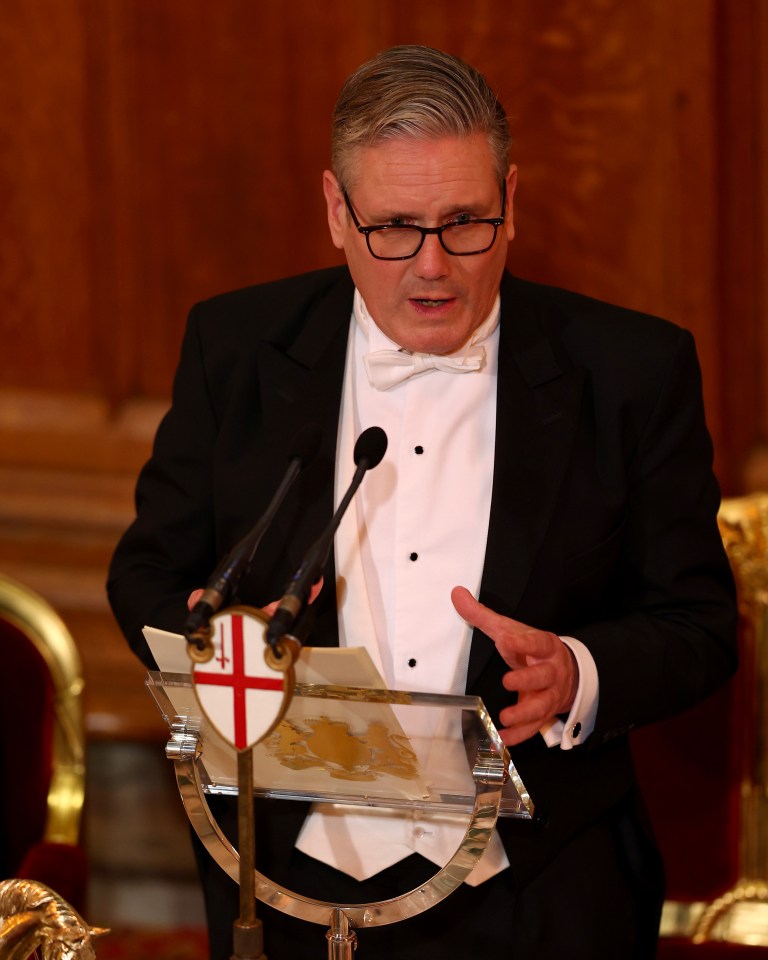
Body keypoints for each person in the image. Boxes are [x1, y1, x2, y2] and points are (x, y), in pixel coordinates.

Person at [108, 44, 738, 959]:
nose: (433, 266)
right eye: (394, 227)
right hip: (287, 882)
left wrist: (579, 671)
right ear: (336, 211)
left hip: (540, 886)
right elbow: (150, 576)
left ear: (512, 204)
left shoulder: (631, 373)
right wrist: (220, 655)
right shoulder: (236, 349)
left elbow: (700, 623)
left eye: (464, 223)